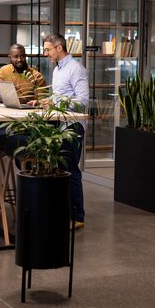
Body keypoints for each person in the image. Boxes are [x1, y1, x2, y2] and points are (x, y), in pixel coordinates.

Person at [30, 33, 89, 229]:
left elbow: (82, 102)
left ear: (59, 48)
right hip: (58, 123)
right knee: (59, 168)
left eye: (48, 49)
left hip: (71, 126)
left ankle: (77, 216)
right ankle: (63, 211)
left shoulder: (76, 69)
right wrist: (45, 102)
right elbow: (59, 97)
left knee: (71, 169)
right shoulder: (57, 70)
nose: (45, 53)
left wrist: (58, 101)